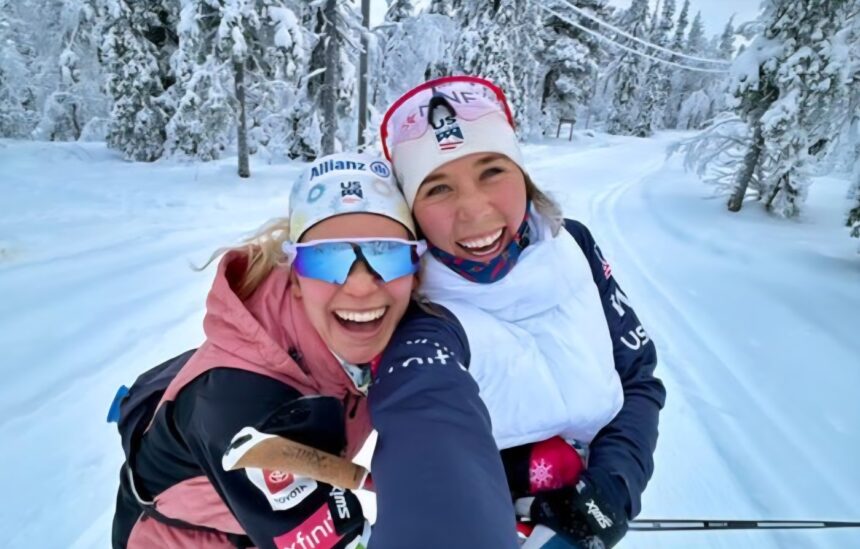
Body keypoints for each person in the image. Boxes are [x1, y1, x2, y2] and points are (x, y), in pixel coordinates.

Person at [110, 152, 517, 549]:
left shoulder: (344, 320)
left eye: (387, 254)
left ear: (414, 267)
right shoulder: (244, 409)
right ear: (296, 278)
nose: (361, 286)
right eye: (327, 258)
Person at [379, 76, 667, 548]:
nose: (474, 211)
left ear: (523, 175)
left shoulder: (574, 243)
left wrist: (616, 485)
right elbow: (420, 412)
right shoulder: (415, 308)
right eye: (437, 188)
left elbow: (637, 376)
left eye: (492, 171)